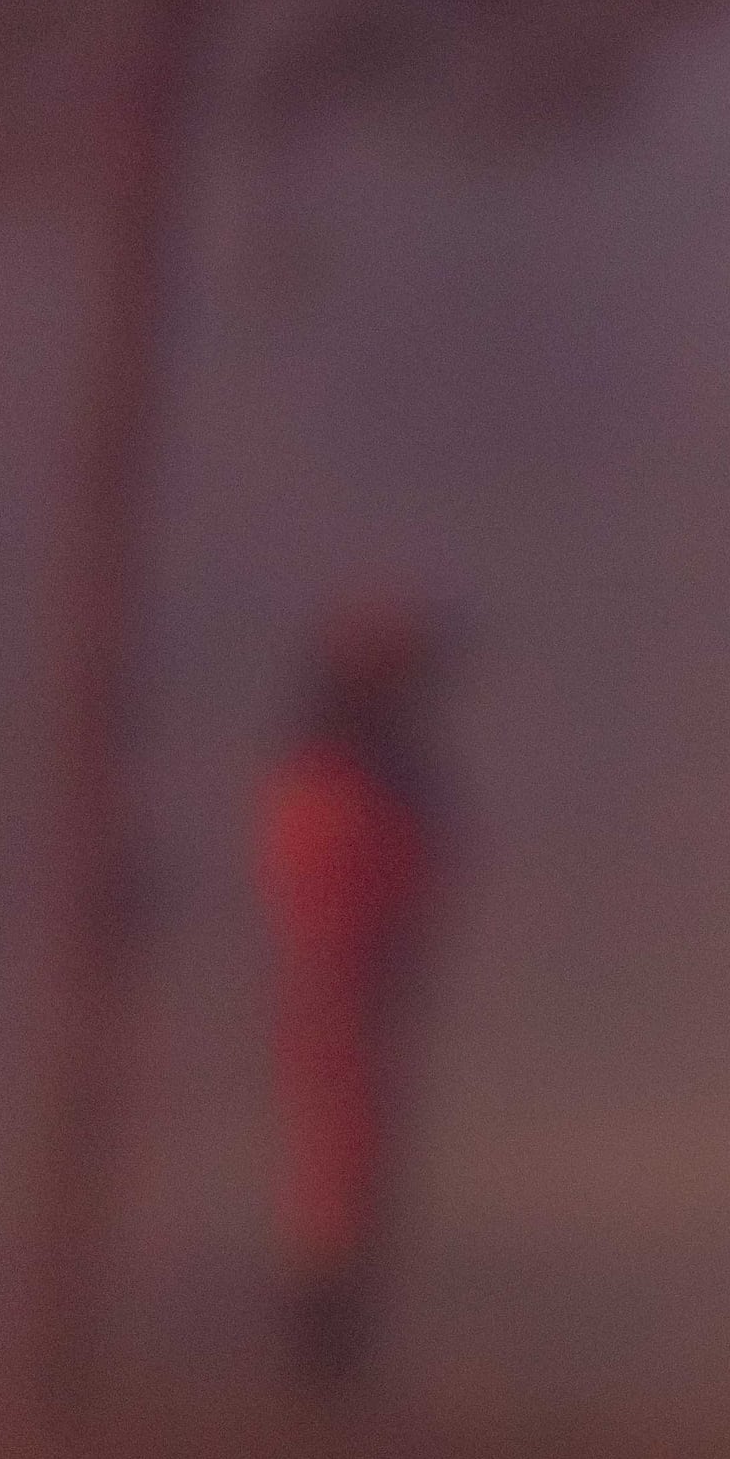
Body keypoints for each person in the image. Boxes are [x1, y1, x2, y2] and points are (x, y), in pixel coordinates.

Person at [261, 591, 451, 1394]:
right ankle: (322, 1367)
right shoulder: (339, 776)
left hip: (359, 983)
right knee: (337, 1174)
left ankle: (334, 1363)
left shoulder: (363, 772)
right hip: (341, 984)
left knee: (351, 1173)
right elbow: (332, 881)